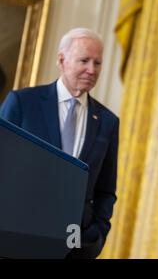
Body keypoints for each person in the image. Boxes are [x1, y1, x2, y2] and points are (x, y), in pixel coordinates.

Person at [0, 28, 119, 259]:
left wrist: (97, 234)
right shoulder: (22, 103)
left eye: (98, 63)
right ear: (61, 60)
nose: (91, 70)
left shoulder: (108, 121)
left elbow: (106, 189)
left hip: (74, 246)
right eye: (84, 60)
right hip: (14, 237)